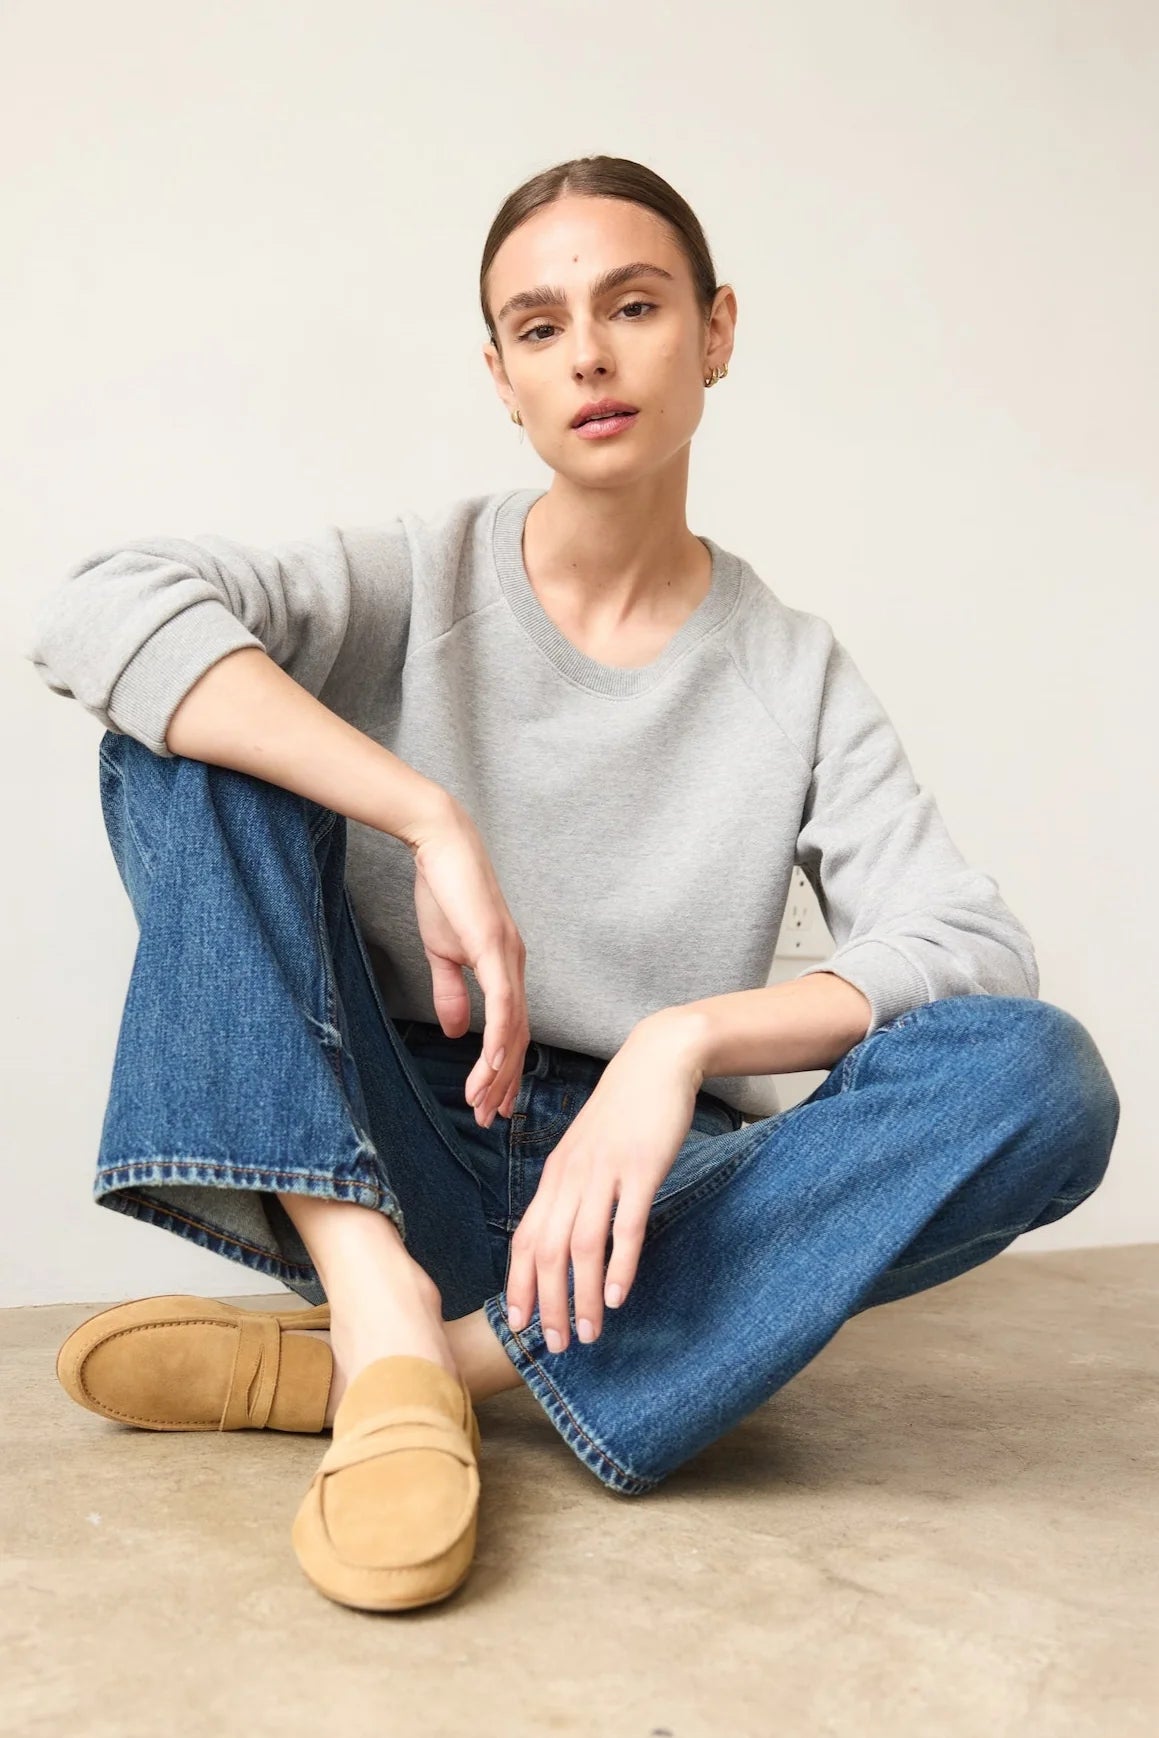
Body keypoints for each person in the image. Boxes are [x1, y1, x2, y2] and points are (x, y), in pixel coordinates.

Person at [25, 155, 1120, 1615]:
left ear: (715, 332)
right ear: (503, 376)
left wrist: (682, 1041)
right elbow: (104, 610)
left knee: (1042, 1077)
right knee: (179, 746)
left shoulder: (792, 672)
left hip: (641, 1218)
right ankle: (377, 1298)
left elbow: (972, 944)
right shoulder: (415, 578)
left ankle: (429, 1365)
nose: (589, 354)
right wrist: (424, 814)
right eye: (540, 327)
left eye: (636, 306)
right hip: (388, 1158)